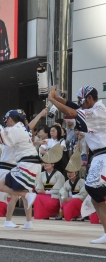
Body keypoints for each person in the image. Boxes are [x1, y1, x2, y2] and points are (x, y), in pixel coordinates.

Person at [49, 85, 106, 243]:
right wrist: (58, 97)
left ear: (89, 98)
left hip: (104, 154)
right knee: (95, 197)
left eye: (82, 100)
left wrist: (52, 99)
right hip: (100, 155)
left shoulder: (98, 111)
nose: (80, 103)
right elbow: (74, 107)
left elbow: (72, 112)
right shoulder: (92, 109)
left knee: (93, 188)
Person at [0, 109, 41, 229]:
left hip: (20, 165)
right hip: (26, 164)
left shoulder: (14, 130)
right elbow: (0, 124)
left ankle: (9, 220)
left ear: (11, 119)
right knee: (24, 194)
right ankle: (28, 222)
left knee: (14, 193)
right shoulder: (20, 129)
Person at [33, 144, 65, 219]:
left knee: (45, 200)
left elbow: (59, 189)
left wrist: (46, 192)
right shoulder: (42, 174)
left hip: (55, 196)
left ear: (52, 164)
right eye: (44, 163)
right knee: (37, 197)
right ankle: (44, 214)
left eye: (47, 163)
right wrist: (40, 191)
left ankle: (55, 212)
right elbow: (38, 187)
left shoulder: (59, 175)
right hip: (45, 195)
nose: (45, 165)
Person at [59, 149, 89, 221]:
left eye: (71, 172)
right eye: (68, 172)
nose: (69, 174)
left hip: (79, 201)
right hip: (70, 200)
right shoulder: (67, 182)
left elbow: (83, 194)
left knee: (73, 201)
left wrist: (72, 197)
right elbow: (63, 191)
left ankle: (80, 214)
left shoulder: (82, 181)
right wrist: (64, 198)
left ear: (76, 173)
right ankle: (73, 215)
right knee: (64, 202)